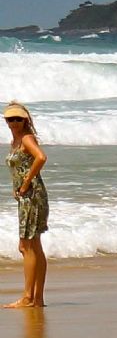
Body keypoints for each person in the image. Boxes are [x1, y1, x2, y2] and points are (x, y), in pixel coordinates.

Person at [3, 101, 49, 308]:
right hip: (29, 196)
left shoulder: (26, 138)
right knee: (33, 246)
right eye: (10, 119)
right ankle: (37, 298)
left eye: (18, 119)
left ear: (25, 120)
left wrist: (25, 183)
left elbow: (41, 157)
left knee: (26, 246)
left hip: (31, 196)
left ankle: (28, 297)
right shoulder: (16, 141)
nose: (14, 123)